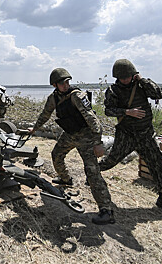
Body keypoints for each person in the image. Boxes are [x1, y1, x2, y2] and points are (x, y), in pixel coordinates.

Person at [29, 68, 115, 224]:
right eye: (62, 83)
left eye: (68, 82)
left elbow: (92, 119)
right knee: (56, 155)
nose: (66, 85)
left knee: (92, 172)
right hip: (70, 134)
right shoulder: (53, 98)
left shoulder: (76, 96)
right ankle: (66, 179)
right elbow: (45, 114)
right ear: (55, 85)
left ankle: (106, 210)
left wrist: (98, 142)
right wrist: (35, 128)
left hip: (86, 137)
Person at [100, 59, 162, 219]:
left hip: (145, 134)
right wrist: (126, 112)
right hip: (126, 134)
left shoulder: (142, 86)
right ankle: (94, 173)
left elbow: (159, 94)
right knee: (111, 160)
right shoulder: (113, 90)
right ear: (117, 77)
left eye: (128, 76)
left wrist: (143, 79)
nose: (125, 80)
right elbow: (108, 110)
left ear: (133, 74)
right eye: (122, 78)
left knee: (158, 164)